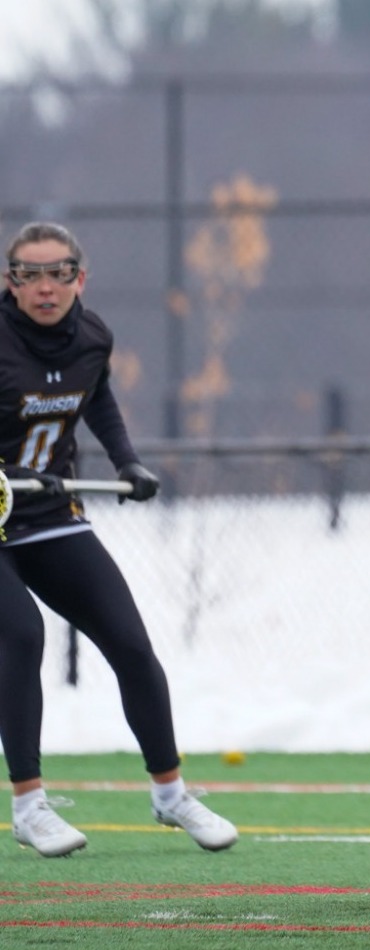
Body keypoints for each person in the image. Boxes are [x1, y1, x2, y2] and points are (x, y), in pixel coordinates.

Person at [0, 221, 237, 856]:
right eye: (29, 274)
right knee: (21, 634)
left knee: (131, 644)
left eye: (58, 273)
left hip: (48, 515)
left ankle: (171, 794)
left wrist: (127, 461)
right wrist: (13, 472)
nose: (45, 287)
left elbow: (97, 398)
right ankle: (29, 806)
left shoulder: (93, 337)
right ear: (9, 281)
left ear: (80, 278)